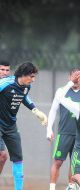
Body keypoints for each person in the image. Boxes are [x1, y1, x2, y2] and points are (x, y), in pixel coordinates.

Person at [0, 62, 48, 190]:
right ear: (22, 74)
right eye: (31, 76)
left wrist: (36, 111)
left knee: (18, 159)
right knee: (2, 155)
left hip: (11, 125)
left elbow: (24, 97)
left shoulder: (27, 87)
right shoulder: (5, 84)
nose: (33, 80)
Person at [47, 68, 80, 190]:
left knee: (75, 164)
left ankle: (71, 187)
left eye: (79, 76)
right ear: (69, 77)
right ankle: (52, 188)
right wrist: (49, 129)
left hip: (79, 135)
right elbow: (53, 110)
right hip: (64, 133)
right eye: (74, 76)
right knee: (58, 162)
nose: (76, 79)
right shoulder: (62, 91)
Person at [0, 61, 11, 174]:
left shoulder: (10, 84)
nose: (5, 72)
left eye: (7, 70)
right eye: (2, 70)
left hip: (3, 124)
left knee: (3, 156)